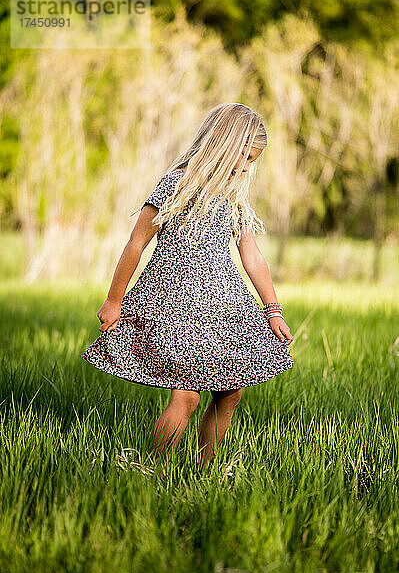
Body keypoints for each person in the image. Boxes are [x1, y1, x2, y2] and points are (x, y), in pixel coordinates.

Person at [81, 102, 294, 478]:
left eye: (252, 161)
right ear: (224, 144)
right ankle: (156, 473)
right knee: (188, 395)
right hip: (176, 303)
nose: (246, 167)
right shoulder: (176, 184)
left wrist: (272, 308)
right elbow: (136, 243)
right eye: (245, 157)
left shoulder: (234, 196)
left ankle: (203, 473)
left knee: (231, 392)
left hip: (222, 309)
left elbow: (252, 254)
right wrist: (114, 300)